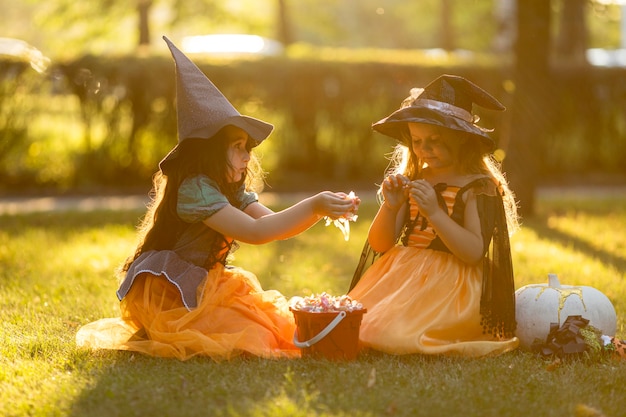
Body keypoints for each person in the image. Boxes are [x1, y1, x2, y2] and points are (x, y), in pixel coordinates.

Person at [76, 36, 358, 361]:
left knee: (268, 327)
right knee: (251, 336)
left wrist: (323, 209)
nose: (246, 157)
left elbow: (269, 223)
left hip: (205, 285)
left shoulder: (231, 188)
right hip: (173, 294)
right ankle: (174, 327)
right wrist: (315, 204)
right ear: (209, 150)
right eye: (237, 146)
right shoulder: (196, 189)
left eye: (247, 148)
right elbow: (256, 234)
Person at [348, 74, 520, 357]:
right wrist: (390, 207)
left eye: (434, 141)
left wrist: (435, 212)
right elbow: (380, 245)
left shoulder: (478, 186)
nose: (424, 150)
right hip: (404, 276)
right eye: (417, 141)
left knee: (394, 334)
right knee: (362, 323)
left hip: (454, 286)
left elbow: (473, 252)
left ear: (463, 139)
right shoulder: (415, 178)